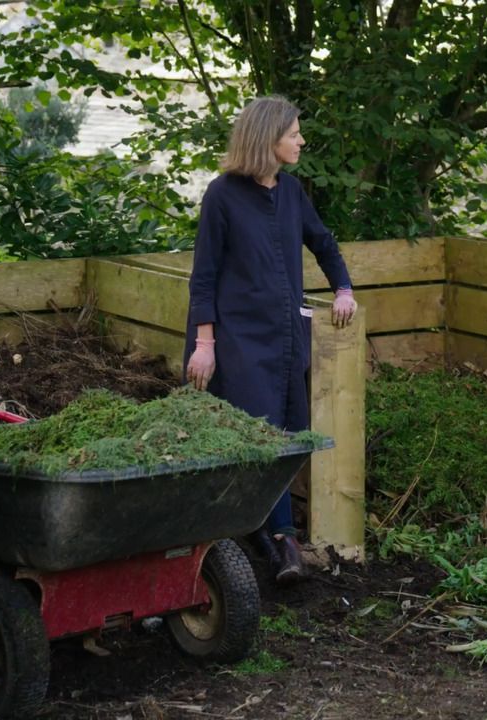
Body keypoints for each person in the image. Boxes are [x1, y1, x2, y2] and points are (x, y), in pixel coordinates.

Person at [183, 96, 357, 583]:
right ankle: (281, 540)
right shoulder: (222, 195)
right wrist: (205, 343)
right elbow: (204, 276)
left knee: (289, 433)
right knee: (260, 436)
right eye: (294, 133)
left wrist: (343, 289)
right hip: (238, 342)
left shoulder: (293, 192)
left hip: (286, 337)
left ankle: (265, 529)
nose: (301, 140)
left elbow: (323, 242)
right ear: (267, 138)